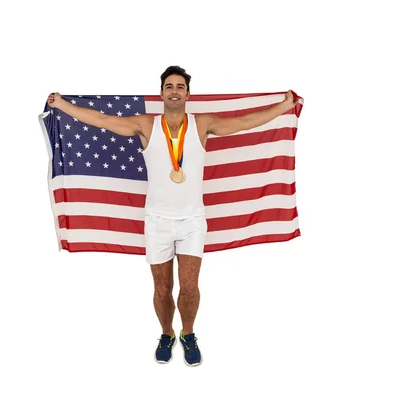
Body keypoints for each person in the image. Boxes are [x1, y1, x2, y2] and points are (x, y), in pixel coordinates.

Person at [46, 66, 299, 366]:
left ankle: (188, 333)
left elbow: (244, 122)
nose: (175, 90)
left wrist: (284, 106)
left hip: (192, 221)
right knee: (162, 288)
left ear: (188, 93)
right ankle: (166, 333)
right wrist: (61, 105)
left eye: (180, 86)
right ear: (162, 92)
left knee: (189, 287)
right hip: (157, 221)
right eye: (169, 86)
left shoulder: (202, 124)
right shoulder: (146, 125)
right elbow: (102, 120)